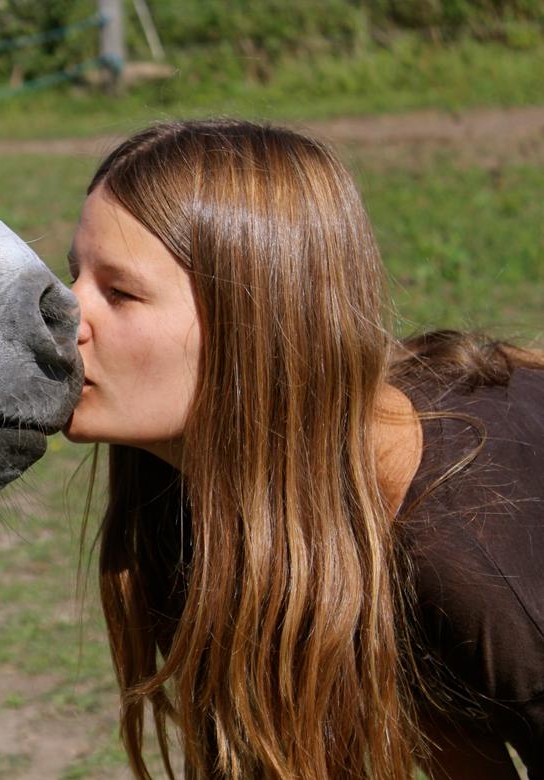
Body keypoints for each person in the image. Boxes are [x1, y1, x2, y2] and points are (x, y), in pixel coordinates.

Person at [63, 119, 544, 779]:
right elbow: (460, 748)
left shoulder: (481, 559)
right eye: (74, 275)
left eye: (120, 292)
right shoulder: (195, 494)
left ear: (255, 328)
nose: (66, 317)